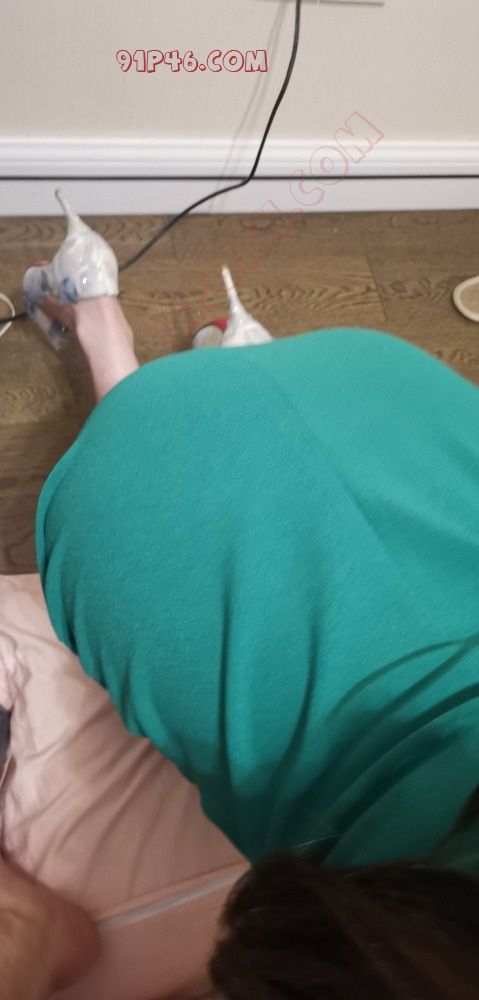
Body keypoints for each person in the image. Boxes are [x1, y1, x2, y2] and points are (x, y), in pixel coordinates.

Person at [1, 282, 479, 1000]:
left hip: (380, 382)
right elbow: (49, 940)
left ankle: (181, 371)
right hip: (125, 493)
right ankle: (157, 377)